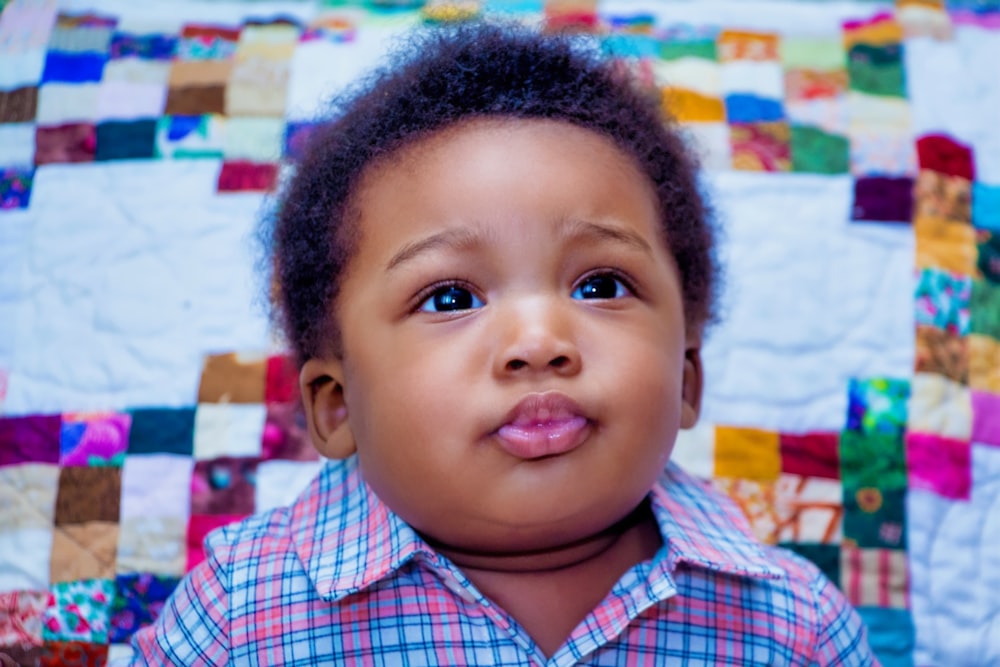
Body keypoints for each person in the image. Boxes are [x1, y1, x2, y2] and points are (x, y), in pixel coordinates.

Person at [124, 21, 878, 665]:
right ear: (336, 404)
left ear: (686, 378)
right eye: (450, 298)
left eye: (602, 285)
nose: (539, 340)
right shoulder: (239, 615)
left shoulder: (791, 627)